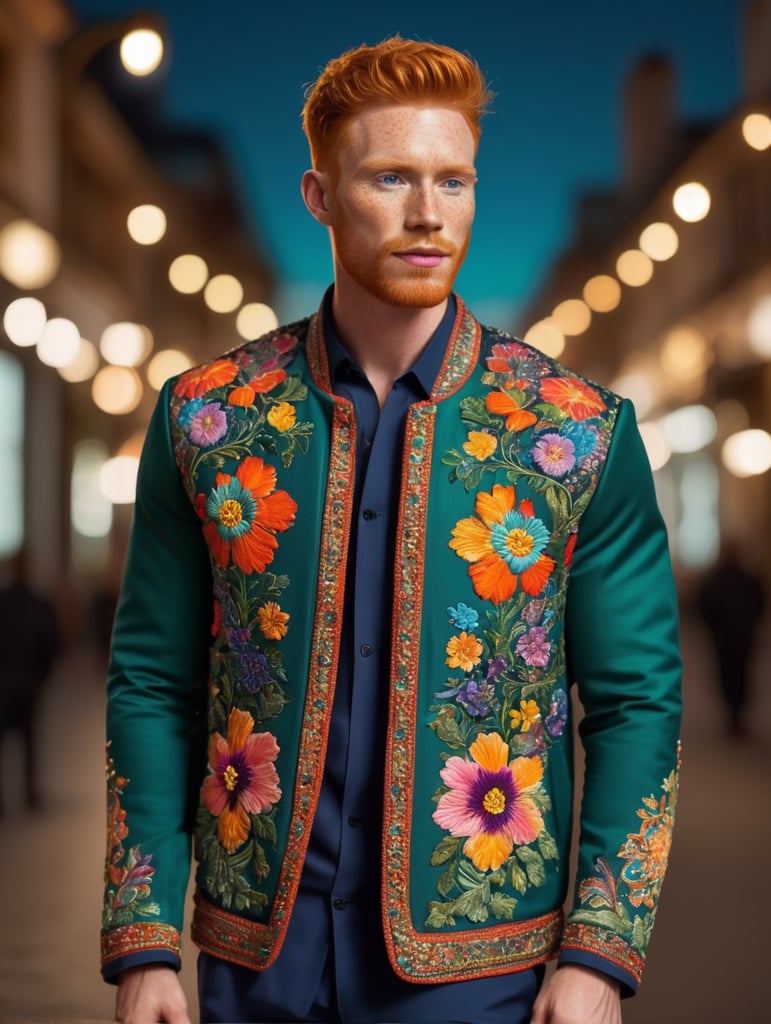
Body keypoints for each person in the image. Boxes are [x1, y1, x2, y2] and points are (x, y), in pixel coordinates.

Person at [101, 36, 682, 1024]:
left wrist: (599, 952)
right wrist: (144, 937)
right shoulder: (206, 420)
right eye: (390, 178)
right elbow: (155, 681)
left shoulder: (576, 433)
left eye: (453, 181)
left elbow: (635, 702)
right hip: (255, 958)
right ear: (320, 196)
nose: (428, 214)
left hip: (480, 965)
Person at [0, 550, 60, 814]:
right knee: (30, 740)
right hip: (29, 681)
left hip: (4, 681)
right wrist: (40, 676)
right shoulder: (39, 604)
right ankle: (30, 793)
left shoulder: (2, 603)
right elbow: (51, 644)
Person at [697, 537, 765, 736]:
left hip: (737, 637)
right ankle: (734, 713)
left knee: (737, 674)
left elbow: (758, 602)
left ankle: (737, 713)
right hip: (730, 637)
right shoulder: (723, 579)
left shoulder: (743, 578)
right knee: (732, 674)